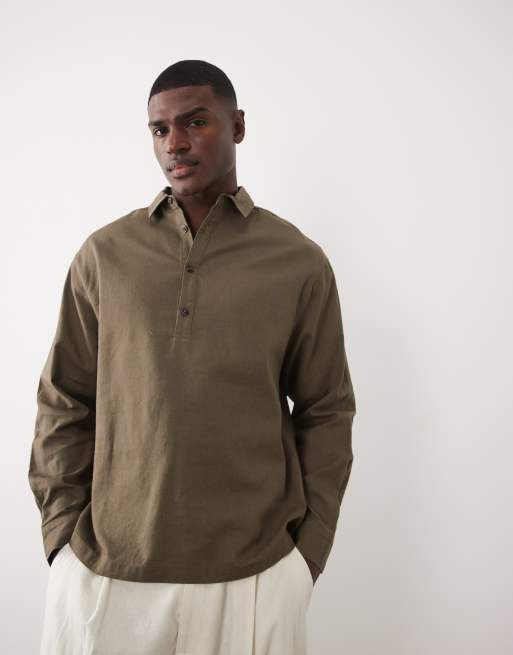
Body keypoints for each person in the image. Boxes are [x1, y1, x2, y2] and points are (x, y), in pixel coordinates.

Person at [28, 59, 357, 654]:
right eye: (160, 129)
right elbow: (64, 399)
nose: (174, 143)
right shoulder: (105, 254)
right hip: (108, 573)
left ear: (238, 126)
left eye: (195, 122)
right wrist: (61, 539)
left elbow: (326, 409)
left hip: (255, 573)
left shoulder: (297, 261)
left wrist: (306, 555)